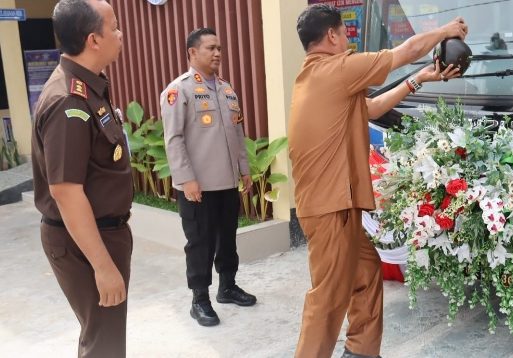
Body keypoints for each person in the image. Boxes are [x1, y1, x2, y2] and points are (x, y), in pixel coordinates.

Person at [288, 4, 468, 358]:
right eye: (345, 34)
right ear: (332, 35)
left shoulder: (318, 80)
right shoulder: (335, 70)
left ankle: (361, 351)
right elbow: (408, 51)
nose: (347, 40)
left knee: (367, 271)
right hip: (330, 208)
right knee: (327, 298)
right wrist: (446, 31)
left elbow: (371, 109)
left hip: (337, 207)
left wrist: (419, 80)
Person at [31, 0, 130, 356]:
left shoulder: (89, 88)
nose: (120, 34)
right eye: (115, 26)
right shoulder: (67, 102)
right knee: (103, 342)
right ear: (94, 39)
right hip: (85, 243)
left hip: (102, 233)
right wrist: (103, 267)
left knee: (106, 334)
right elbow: (66, 191)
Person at [160, 27, 256, 328]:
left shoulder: (227, 89)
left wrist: (243, 169)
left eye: (219, 48)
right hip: (197, 187)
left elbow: (237, 134)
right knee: (199, 243)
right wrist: (186, 179)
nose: (217, 53)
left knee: (227, 238)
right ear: (192, 53)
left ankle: (227, 287)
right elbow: (173, 139)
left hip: (226, 182)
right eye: (210, 48)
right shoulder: (179, 91)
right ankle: (199, 299)